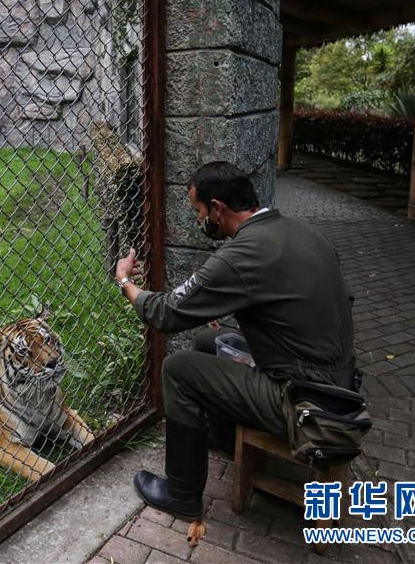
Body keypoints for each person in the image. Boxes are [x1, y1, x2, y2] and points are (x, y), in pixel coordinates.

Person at [114, 161, 356, 521]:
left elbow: (165, 314)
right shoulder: (302, 231)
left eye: (199, 212)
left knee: (179, 368)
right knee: (211, 340)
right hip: (341, 383)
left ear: (218, 208)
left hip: (305, 403)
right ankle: (225, 438)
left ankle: (182, 494)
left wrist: (125, 282)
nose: (200, 222)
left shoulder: (240, 255)